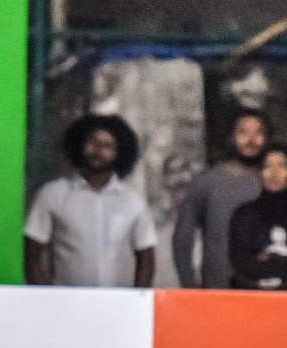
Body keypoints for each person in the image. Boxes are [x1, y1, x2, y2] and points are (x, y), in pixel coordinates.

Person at [24, 114, 156, 288]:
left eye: (107, 145)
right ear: (79, 144)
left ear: (120, 152)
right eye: (92, 142)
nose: (98, 150)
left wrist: (136, 302)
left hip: (118, 306)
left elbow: (146, 258)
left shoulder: (133, 202)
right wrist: (46, 297)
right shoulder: (53, 195)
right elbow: (31, 255)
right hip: (64, 306)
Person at [173, 107, 268, 288]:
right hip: (218, 291)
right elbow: (183, 238)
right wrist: (189, 287)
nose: (251, 140)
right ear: (230, 137)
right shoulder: (208, 182)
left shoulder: (274, 184)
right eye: (243, 132)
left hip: (268, 293)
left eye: (258, 133)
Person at [228, 143, 287, 291]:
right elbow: (242, 265)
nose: (274, 173)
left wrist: (270, 259)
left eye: (282, 166)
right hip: (254, 303)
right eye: (267, 166)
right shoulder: (244, 215)